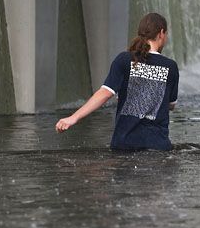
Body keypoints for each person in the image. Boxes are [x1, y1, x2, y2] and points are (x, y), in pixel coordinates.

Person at [56, 12, 179, 151]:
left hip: (125, 144)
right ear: (161, 33)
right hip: (158, 146)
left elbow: (105, 93)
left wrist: (73, 118)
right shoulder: (171, 67)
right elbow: (170, 105)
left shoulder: (124, 60)